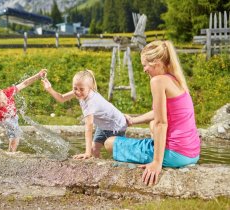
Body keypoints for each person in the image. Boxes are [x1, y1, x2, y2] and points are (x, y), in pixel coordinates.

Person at [104, 40, 201, 186]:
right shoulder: (176, 80)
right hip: (192, 154)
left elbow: (161, 123)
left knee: (109, 142)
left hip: (175, 155)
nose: (144, 70)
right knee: (151, 124)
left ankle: (158, 156)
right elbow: (158, 113)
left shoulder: (158, 81)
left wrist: (156, 163)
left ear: (156, 62)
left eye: (145, 65)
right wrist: (133, 121)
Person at [41, 69, 127, 159]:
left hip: (116, 126)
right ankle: (98, 166)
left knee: (119, 155)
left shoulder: (91, 101)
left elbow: (89, 127)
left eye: (81, 89)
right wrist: (49, 89)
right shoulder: (81, 90)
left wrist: (87, 153)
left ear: (90, 88)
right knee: (94, 150)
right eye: (75, 88)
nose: (78, 92)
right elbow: (62, 98)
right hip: (103, 125)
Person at [0, 70, 46, 152]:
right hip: (3, 120)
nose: (4, 102)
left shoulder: (8, 92)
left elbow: (24, 83)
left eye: (4, 99)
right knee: (14, 131)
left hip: (13, 117)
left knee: (16, 136)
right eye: (1, 103)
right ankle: (11, 153)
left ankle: (10, 152)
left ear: (2, 92)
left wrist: (38, 75)